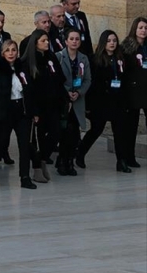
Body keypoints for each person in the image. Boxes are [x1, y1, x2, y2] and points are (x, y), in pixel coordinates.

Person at [0, 40, 39, 188]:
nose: (11, 53)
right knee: (0, 143)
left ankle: (25, 177)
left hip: (22, 110)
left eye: (13, 50)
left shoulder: (23, 68)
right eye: (7, 50)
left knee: (25, 145)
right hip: (4, 111)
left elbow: (31, 91)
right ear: (2, 53)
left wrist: (34, 111)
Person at [75, 31, 129, 172]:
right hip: (100, 102)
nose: (112, 43)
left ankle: (121, 161)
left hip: (117, 101)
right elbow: (91, 83)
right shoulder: (94, 60)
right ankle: (80, 153)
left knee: (120, 131)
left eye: (114, 40)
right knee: (96, 129)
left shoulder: (120, 59)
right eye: (109, 40)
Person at [21, 29, 65, 181]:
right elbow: (28, 88)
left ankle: (43, 159)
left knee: (55, 133)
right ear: (35, 43)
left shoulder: (51, 57)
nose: (47, 43)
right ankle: (37, 167)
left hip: (52, 105)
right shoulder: (28, 62)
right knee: (37, 139)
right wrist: (33, 111)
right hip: (38, 107)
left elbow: (60, 79)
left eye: (47, 40)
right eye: (43, 41)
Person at [55, 29, 91, 176]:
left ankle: (70, 161)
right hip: (64, 101)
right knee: (65, 133)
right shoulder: (59, 57)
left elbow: (88, 79)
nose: (75, 41)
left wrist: (79, 92)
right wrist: (66, 92)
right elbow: (56, 79)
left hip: (78, 101)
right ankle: (62, 161)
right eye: (72, 39)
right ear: (66, 41)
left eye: (77, 39)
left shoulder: (83, 59)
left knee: (74, 134)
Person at [120, 17, 147, 169]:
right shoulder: (127, 47)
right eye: (141, 27)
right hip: (133, 92)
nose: (143, 31)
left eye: (146, 28)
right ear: (135, 29)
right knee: (131, 127)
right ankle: (129, 157)